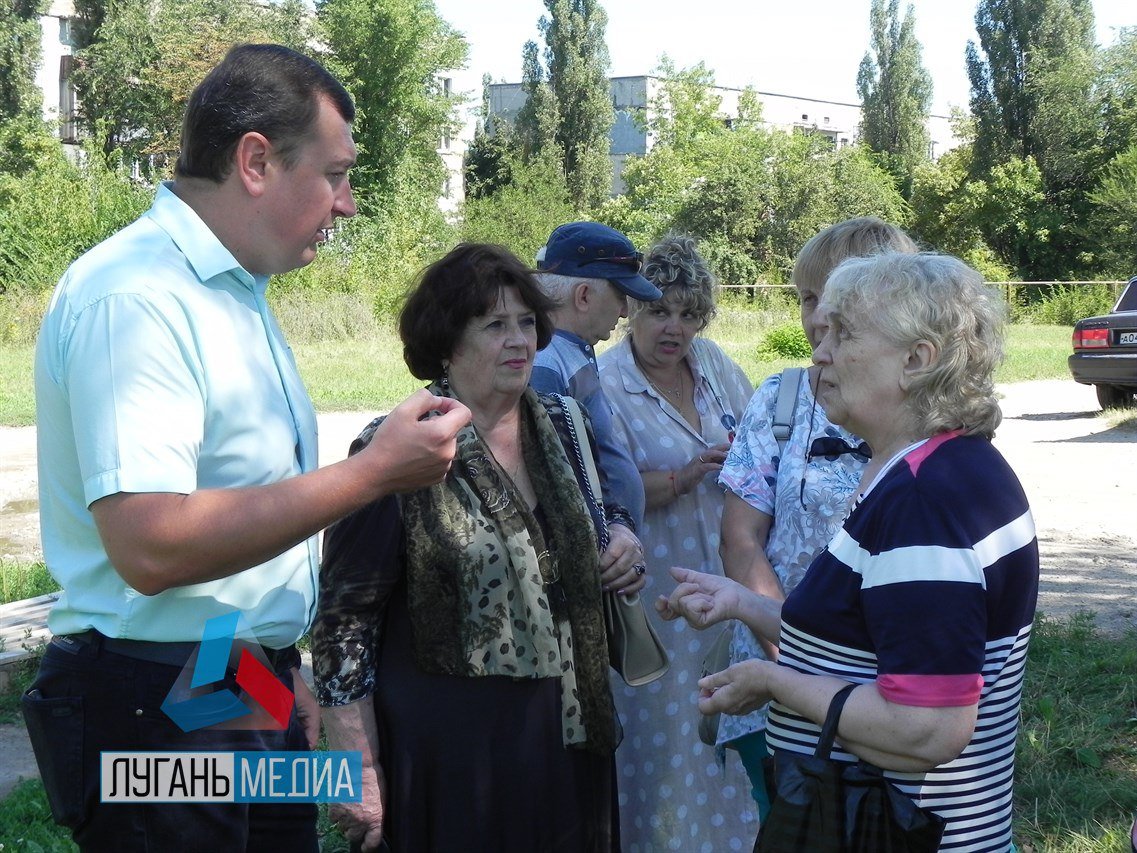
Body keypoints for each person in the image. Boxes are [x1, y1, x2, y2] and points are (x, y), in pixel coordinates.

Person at [23, 44, 468, 852]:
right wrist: (370, 473)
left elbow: (222, 535)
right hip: (153, 704)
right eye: (334, 174)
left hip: (227, 677)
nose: (348, 204)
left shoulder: (233, 293)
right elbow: (152, 547)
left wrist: (275, 669)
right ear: (255, 160)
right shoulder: (138, 297)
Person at [660, 251, 1040, 852]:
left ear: (917, 360)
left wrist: (774, 680)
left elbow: (927, 727)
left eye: (845, 333)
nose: (819, 350)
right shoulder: (945, 466)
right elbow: (869, 647)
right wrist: (745, 603)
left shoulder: (923, 502)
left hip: (907, 834)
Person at [313, 243, 648, 853]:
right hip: (450, 751)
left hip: (566, 729)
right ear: (447, 342)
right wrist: (358, 770)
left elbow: (604, 507)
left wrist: (622, 538)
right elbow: (343, 620)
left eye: (526, 322)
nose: (519, 340)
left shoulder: (562, 422)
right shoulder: (398, 449)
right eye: (495, 325)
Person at [716, 218, 918, 820]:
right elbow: (740, 539)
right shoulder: (779, 399)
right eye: (807, 299)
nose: (815, 321)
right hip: (776, 664)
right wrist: (793, 660)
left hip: (891, 687)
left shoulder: (933, 411)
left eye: (835, 304)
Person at [597, 234, 755, 851]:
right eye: (660, 310)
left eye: (689, 314)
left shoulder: (714, 364)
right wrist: (684, 476)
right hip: (656, 594)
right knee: (665, 739)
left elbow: (763, 439)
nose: (675, 328)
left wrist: (743, 458)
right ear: (632, 309)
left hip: (728, 579)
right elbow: (599, 493)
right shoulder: (605, 381)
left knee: (730, 722)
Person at [531, 221, 663, 532]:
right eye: (621, 296)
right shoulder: (546, 365)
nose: (624, 312)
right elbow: (551, 484)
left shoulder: (573, 349)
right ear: (584, 296)